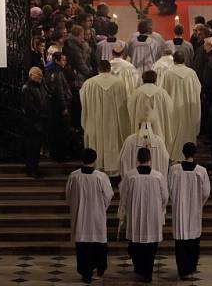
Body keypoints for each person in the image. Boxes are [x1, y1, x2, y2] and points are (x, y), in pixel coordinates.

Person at [120, 147, 169, 283]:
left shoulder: (130, 176)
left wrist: (128, 208)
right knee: (151, 247)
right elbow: (165, 196)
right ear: (150, 159)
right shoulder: (158, 176)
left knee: (135, 245)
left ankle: (140, 269)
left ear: (137, 159)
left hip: (135, 215)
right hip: (153, 216)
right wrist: (159, 208)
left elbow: (123, 196)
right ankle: (147, 272)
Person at [66, 148, 114, 284]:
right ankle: (99, 269)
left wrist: (76, 207)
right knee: (98, 244)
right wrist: (101, 207)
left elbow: (68, 196)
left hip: (80, 216)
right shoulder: (101, 176)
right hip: (96, 216)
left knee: (83, 246)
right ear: (95, 160)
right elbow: (109, 195)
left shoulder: (74, 176)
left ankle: (85, 273)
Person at [168, 142, 211, 280]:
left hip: (180, 210)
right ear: (195, 153)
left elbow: (169, 188)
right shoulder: (201, 171)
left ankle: (183, 269)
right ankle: (191, 266)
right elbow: (206, 192)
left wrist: (176, 201)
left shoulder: (174, 170)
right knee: (193, 240)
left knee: (181, 242)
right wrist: (199, 204)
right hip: (194, 210)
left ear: (183, 152)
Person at [79, 60, 129, 175]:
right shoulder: (119, 83)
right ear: (109, 69)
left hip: (95, 122)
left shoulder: (89, 83)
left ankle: (97, 169)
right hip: (114, 124)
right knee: (114, 143)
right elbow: (124, 106)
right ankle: (114, 172)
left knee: (97, 145)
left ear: (98, 69)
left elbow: (84, 104)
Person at [160, 52, 202, 162]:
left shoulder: (168, 73)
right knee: (187, 132)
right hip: (188, 109)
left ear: (174, 60)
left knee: (173, 134)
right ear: (184, 60)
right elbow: (198, 89)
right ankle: (188, 158)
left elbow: (163, 93)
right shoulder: (191, 73)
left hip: (173, 111)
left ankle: (174, 159)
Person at [128, 70, 174, 144]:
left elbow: (130, 108)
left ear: (142, 79)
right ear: (155, 79)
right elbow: (170, 108)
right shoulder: (162, 92)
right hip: (158, 127)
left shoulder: (137, 92)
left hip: (140, 128)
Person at [21, 66, 49, 178]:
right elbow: (29, 107)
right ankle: (31, 169)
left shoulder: (40, 86)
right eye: (38, 74)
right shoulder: (27, 88)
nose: (40, 76)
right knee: (32, 148)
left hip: (39, 122)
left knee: (37, 148)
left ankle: (35, 168)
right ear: (31, 75)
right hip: (32, 123)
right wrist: (39, 117)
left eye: (41, 74)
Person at [44, 52, 72, 160]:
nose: (65, 62)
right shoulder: (57, 73)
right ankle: (61, 155)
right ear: (57, 60)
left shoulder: (51, 70)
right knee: (61, 131)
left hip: (54, 106)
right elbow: (59, 91)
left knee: (55, 130)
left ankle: (56, 153)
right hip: (59, 106)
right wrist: (64, 107)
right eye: (63, 60)